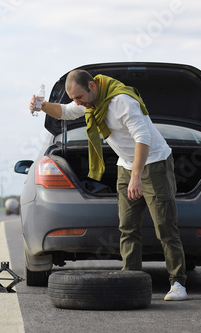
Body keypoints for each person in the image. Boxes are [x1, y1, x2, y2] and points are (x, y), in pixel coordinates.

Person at [29, 69, 187, 301]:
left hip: (154, 164)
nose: (78, 103)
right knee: (127, 227)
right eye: (74, 98)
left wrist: (136, 177)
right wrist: (42, 106)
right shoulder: (91, 103)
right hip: (126, 165)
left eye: (79, 97)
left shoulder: (122, 102)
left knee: (165, 227)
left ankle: (178, 283)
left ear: (92, 87)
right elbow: (63, 111)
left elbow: (142, 139)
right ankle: (131, 279)